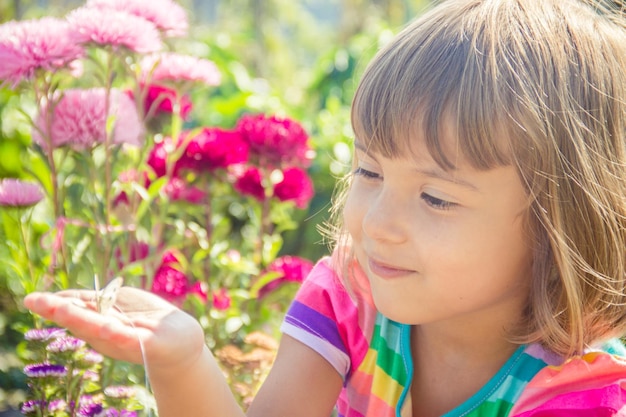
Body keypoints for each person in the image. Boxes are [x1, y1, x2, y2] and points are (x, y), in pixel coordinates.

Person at [24, 0, 626, 415]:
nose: (376, 224)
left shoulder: (585, 385)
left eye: (437, 197)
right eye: (368, 170)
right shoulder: (351, 299)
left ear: (563, 223)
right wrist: (182, 357)